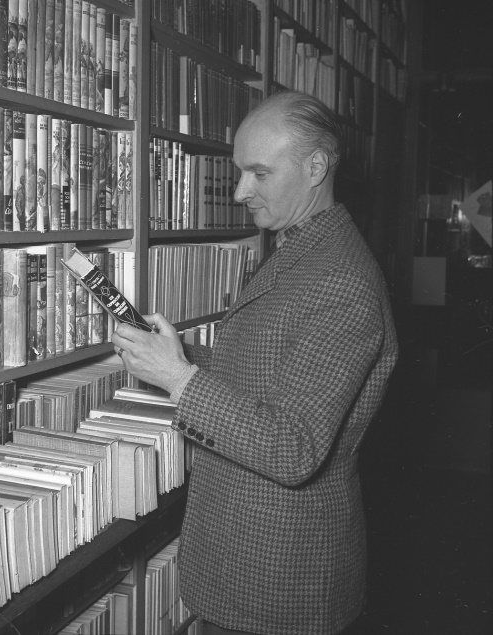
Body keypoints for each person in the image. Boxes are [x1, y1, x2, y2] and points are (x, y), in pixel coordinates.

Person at [111, 90, 399, 635]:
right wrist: (175, 355)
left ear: (316, 167)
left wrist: (177, 376)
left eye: (259, 173)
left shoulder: (341, 279)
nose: (240, 191)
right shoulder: (301, 247)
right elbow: (270, 369)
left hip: (280, 576)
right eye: (239, 171)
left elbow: (293, 447)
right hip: (247, 556)